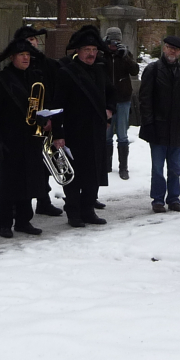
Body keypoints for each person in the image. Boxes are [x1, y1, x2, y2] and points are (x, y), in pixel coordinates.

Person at [52, 25, 116, 227]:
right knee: (73, 174)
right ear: (78, 51)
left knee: (93, 173)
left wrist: (109, 111)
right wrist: (58, 134)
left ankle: (88, 210)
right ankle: (73, 212)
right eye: (87, 50)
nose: (91, 54)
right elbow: (57, 106)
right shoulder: (66, 73)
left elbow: (111, 93)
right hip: (74, 131)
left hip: (95, 130)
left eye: (94, 50)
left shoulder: (100, 69)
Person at [0, 37, 49, 237]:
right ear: (12, 57)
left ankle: (24, 220)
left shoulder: (35, 77)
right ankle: (4, 223)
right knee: (8, 182)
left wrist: (42, 119)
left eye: (28, 55)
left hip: (31, 138)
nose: (26, 58)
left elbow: (40, 106)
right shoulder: (0, 79)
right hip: (9, 137)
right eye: (22, 55)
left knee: (29, 180)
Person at [138, 35, 180, 213]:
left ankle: (174, 198)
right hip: (158, 126)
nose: (173, 52)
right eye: (170, 48)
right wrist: (148, 124)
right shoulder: (153, 69)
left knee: (176, 168)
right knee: (157, 168)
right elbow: (145, 99)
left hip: (178, 127)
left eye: (176, 49)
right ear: (164, 48)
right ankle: (157, 199)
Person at [13, 25, 64, 217]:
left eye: (34, 40)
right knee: (21, 167)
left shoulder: (48, 64)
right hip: (22, 124)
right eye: (28, 41)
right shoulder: (17, 67)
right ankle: (17, 204)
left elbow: (55, 92)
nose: (32, 43)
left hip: (46, 120)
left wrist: (51, 118)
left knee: (45, 164)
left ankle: (44, 199)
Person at [102, 26, 140, 180]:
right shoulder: (101, 54)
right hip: (105, 100)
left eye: (117, 40)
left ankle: (123, 167)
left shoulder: (125, 54)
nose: (114, 44)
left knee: (123, 135)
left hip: (123, 99)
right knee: (106, 134)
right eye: (112, 40)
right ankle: (106, 165)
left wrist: (125, 56)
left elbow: (135, 71)